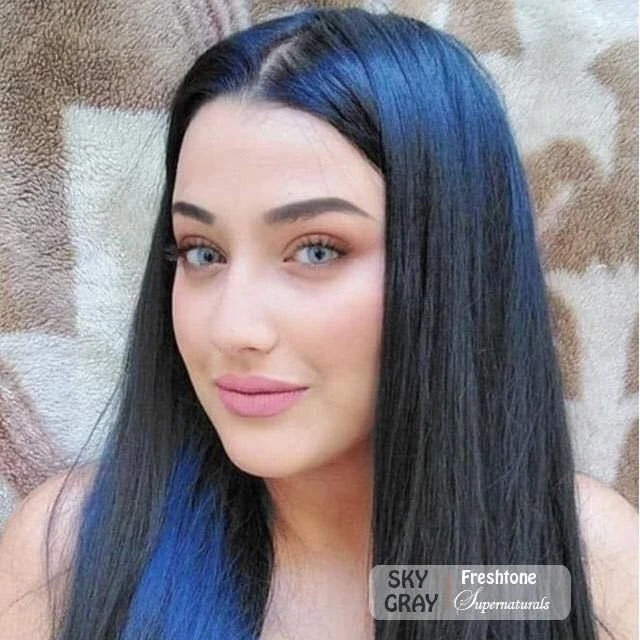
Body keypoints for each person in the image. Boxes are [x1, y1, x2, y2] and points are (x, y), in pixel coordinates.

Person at [0, 6, 637, 640]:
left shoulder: (565, 570)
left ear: (451, 263)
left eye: (316, 251)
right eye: (202, 252)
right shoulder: (70, 558)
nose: (233, 328)